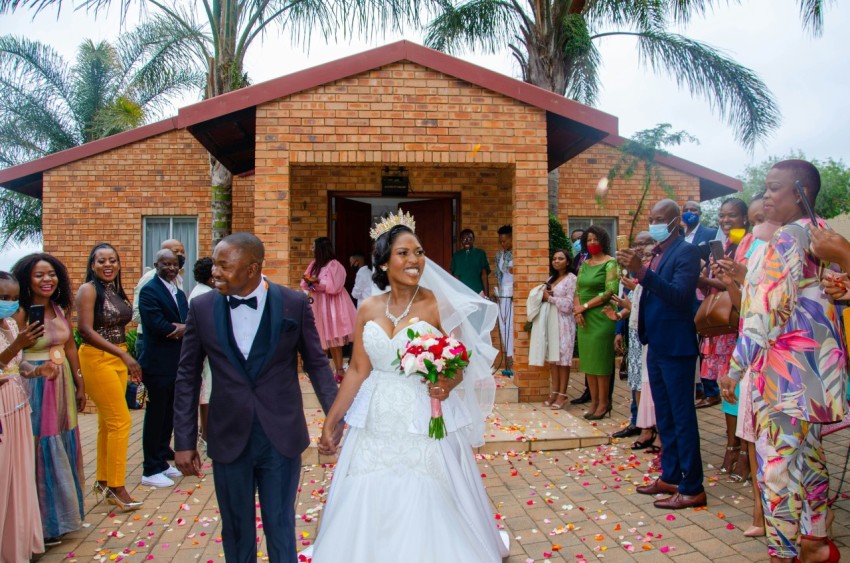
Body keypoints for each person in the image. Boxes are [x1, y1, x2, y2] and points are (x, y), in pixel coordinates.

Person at [311, 215, 509, 563]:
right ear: (384, 262)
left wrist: (447, 383)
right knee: (369, 484)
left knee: (427, 487)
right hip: (377, 414)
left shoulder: (438, 304)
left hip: (424, 413)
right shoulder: (369, 308)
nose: (415, 260)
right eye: (404, 253)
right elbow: (358, 369)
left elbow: (460, 359)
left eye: (418, 252)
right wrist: (333, 418)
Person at [173, 232, 339, 563]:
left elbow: (318, 365)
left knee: (280, 526)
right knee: (235, 529)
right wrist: (184, 440)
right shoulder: (202, 308)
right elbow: (187, 376)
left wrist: (334, 420)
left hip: (281, 436)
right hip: (228, 435)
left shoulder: (293, 303)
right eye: (215, 265)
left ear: (252, 268)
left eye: (223, 266)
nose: (215, 272)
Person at [722, 160, 845, 562]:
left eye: (774, 188)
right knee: (808, 458)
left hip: (783, 375)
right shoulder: (816, 232)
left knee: (776, 471)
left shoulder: (787, 240)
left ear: (800, 193)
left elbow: (765, 312)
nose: (766, 195)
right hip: (812, 373)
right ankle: (816, 542)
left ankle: (784, 554)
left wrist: (735, 368)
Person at [618, 199, 705, 510]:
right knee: (664, 416)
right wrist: (642, 268)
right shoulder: (657, 253)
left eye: (660, 218)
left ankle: (692, 485)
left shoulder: (686, 252)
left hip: (677, 344)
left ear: (676, 220)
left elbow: (680, 296)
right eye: (651, 218)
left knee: (682, 416)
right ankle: (670, 475)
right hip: (655, 343)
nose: (654, 222)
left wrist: (641, 271)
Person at [11, 254, 86, 544]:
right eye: (40, 275)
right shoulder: (19, 313)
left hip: (62, 383)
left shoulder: (59, 308)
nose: (47, 280)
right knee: (40, 445)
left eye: (52, 274)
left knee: (63, 441)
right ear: (27, 279)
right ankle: (44, 524)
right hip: (35, 384)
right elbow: (13, 353)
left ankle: (65, 516)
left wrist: (80, 383)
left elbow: (70, 347)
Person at [76, 243, 142, 512]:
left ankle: (103, 481)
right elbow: (85, 331)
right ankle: (117, 486)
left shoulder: (114, 290)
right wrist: (124, 355)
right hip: (96, 357)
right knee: (121, 421)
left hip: (117, 358)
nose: (108, 265)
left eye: (112, 260)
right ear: (92, 265)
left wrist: (124, 356)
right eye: (101, 260)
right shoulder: (88, 290)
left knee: (107, 422)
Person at [695, 198, 751, 480]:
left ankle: (744, 450)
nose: (726, 221)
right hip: (722, 328)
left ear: (745, 217)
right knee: (728, 389)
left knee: (741, 389)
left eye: (732, 216)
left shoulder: (750, 245)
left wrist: (706, 280)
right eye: (722, 216)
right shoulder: (725, 245)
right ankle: (731, 443)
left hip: (742, 324)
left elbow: (741, 285)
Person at [0, 271, 54, 562]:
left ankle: (17, 545)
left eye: (11, 298)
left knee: (20, 476)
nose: (7, 304)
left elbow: (16, 367)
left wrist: (36, 371)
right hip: (1, 413)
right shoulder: (14, 336)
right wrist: (16, 346)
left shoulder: (10, 325)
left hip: (18, 408)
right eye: (2, 298)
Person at [138, 249, 188, 487]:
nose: (170, 268)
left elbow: (188, 321)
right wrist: (178, 329)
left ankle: (161, 461)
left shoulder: (177, 292)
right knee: (156, 415)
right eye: (165, 264)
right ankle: (150, 469)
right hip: (157, 363)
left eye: (174, 264)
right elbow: (156, 324)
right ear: (156, 264)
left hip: (175, 362)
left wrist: (180, 329)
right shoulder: (149, 291)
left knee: (168, 414)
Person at [606, 231, 654, 441]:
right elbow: (626, 301)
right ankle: (637, 421)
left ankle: (649, 427)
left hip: (649, 333)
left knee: (646, 382)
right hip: (632, 332)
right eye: (637, 244)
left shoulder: (651, 270)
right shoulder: (629, 270)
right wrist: (618, 320)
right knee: (635, 381)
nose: (640, 248)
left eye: (645, 244)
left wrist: (632, 297)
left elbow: (644, 301)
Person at [573, 225, 618, 420]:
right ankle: (593, 403)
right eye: (589, 239)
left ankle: (604, 403)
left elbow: (610, 291)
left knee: (601, 363)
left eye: (595, 239)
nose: (592, 243)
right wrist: (577, 310)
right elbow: (577, 289)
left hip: (602, 316)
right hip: (584, 319)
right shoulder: (584, 263)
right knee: (589, 363)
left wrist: (585, 306)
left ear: (603, 241)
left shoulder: (611, 263)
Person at [300, 237, 357, 383]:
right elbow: (304, 284)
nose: (311, 249)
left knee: (333, 337)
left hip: (333, 304)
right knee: (320, 338)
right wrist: (309, 283)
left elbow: (334, 286)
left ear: (320, 249)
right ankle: (321, 371)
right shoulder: (314, 265)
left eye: (313, 246)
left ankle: (339, 371)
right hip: (319, 304)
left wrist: (317, 281)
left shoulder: (334, 265)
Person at [528, 249, 576, 409]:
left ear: (567, 261)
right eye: (554, 259)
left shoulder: (572, 279)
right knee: (554, 359)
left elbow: (570, 304)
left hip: (563, 321)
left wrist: (550, 298)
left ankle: (563, 394)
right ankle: (554, 392)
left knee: (563, 360)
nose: (556, 261)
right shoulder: (551, 278)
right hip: (550, 321)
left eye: (560, 258)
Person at [133, 239, 185, 361]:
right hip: (151, 342)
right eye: (175, 251)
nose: (180, 255)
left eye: (182, 251)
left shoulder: (176, 280)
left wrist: (185, 327)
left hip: (175, 346)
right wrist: (171, 327)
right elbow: (136, 313)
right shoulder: (150, 280)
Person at [188, 257, 215, 449]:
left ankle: (205, 432)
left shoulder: (201, 291)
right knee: (206, 394)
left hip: (206, 353)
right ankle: (206, 435)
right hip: (206, 354)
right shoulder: (203, 295)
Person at [494, 224, 514, 375]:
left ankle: (514, 363)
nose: (503, 244)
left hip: (514, 292)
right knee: (504, 326)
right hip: (503, 292)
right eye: (500, 241)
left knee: (512, 325)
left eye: (505, 241)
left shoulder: (517, 253)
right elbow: (498, 275)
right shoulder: (499, 255)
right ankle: (507, 361)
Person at [450, 228, 490, 296]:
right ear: (460, 241)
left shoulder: (480, 253)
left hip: (478, 291)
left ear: (473, 239)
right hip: (462, 293)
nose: (467, 241)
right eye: (464, 239)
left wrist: (486, 294)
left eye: (469, 239)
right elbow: (455, 276)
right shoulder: (456, 256)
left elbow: (484, 275)